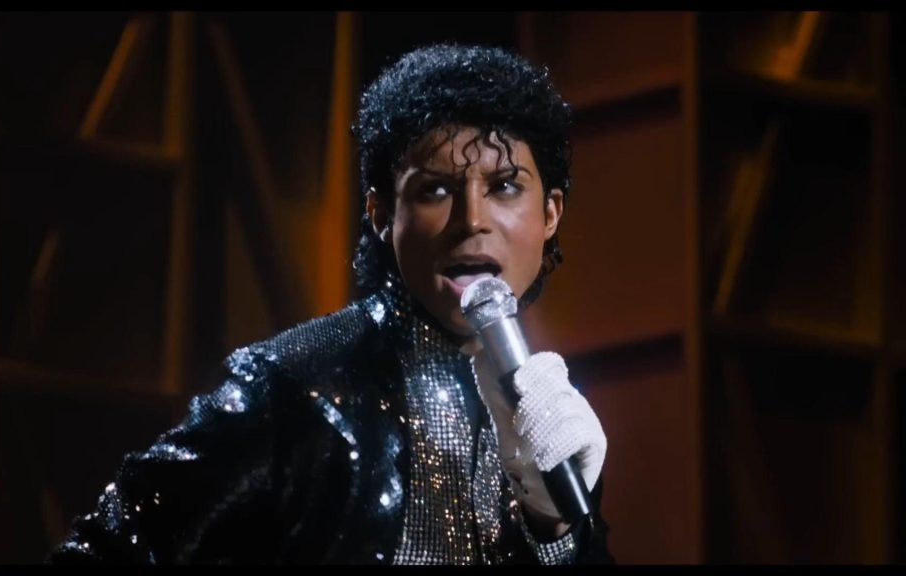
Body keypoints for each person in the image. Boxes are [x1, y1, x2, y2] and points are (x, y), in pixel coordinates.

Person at [49, 43, 613, 565]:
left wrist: (553, 524)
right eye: (435, 190)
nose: (472, 220)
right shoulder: (294, 386)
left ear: (550, 214)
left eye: (504, 186)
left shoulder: (545, 408)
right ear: (382, 215)